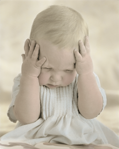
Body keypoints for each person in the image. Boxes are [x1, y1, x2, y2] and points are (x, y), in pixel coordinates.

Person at [1, 5, 119, 147]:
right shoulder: (25, 80)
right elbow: (27, 118)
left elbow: (91, 112)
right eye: (47, 68)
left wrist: (86, 73)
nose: (56, 78)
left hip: (81, 136)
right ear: (31, 54)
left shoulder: (83, 79)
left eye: (68, 70)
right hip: (34, 137)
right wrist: (30, 77)